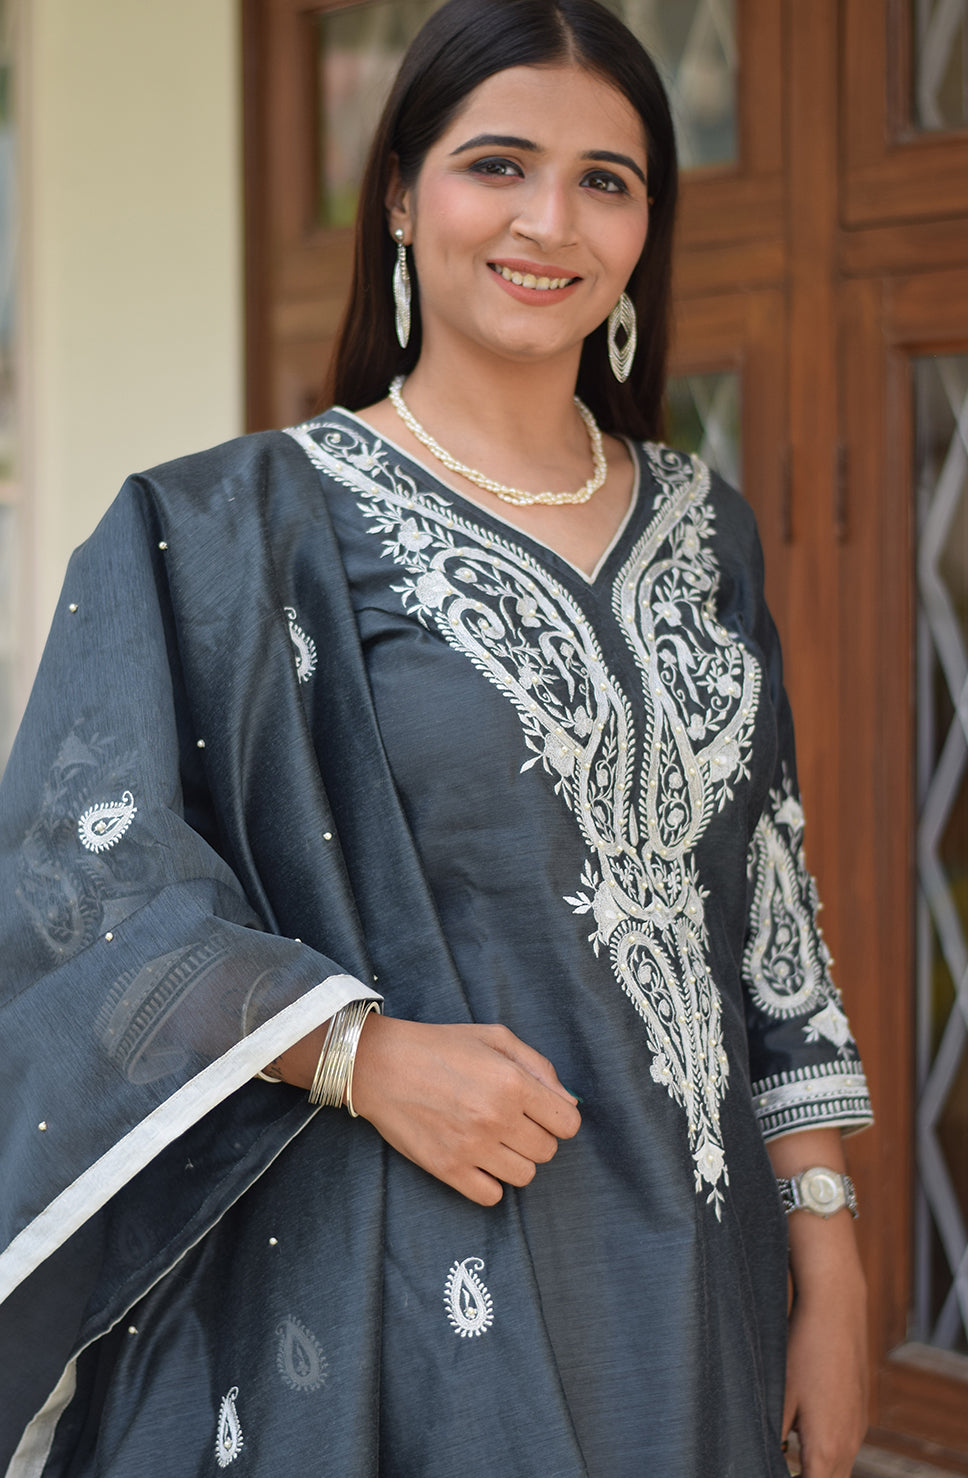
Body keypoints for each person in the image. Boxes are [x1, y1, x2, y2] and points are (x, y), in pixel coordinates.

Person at [0, 2, 873, 1474]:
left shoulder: (704, 531)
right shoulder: (229, 532)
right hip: (400, 1293)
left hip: (690, 1282)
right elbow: (76, 881)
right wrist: (352, 1050)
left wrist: (832, 1259)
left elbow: (769, 915)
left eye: (607, 179)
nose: (551, 220)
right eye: (499, 164)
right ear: (400, 195)